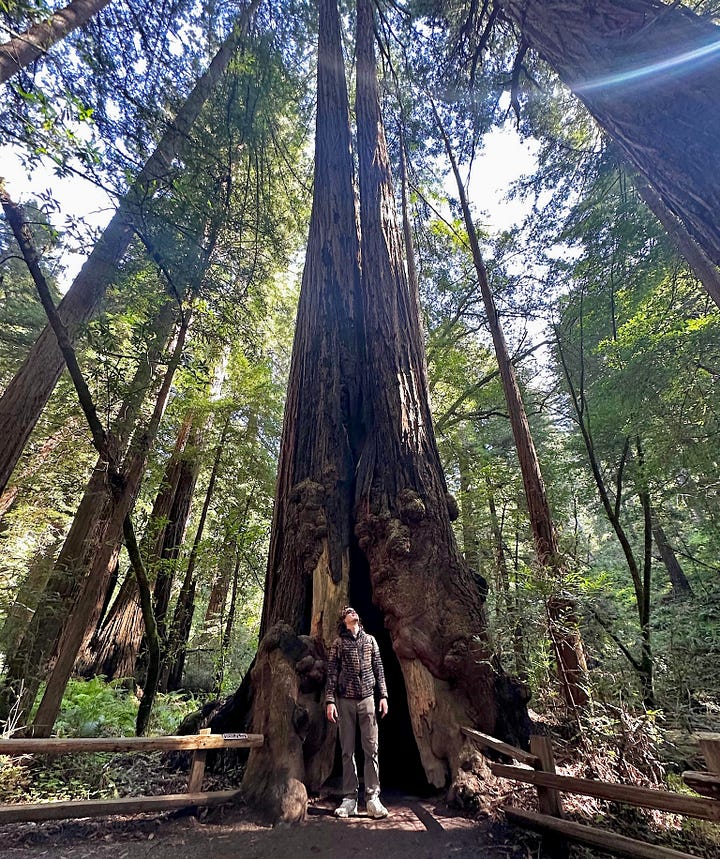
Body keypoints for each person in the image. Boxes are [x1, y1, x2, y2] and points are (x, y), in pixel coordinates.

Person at [325, 606, 389, 819]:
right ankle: (350, 798)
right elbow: (332, 673)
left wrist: (384, 696)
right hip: (345, 701)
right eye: (348, 612)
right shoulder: (338, 644)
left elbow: (378, 668)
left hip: (368, 699)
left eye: (354, 611)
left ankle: (372, 798)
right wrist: (330, 701)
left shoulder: (370, 640)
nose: (353, 612)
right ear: (343, 620)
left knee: (371, 748)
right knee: (347, 750)